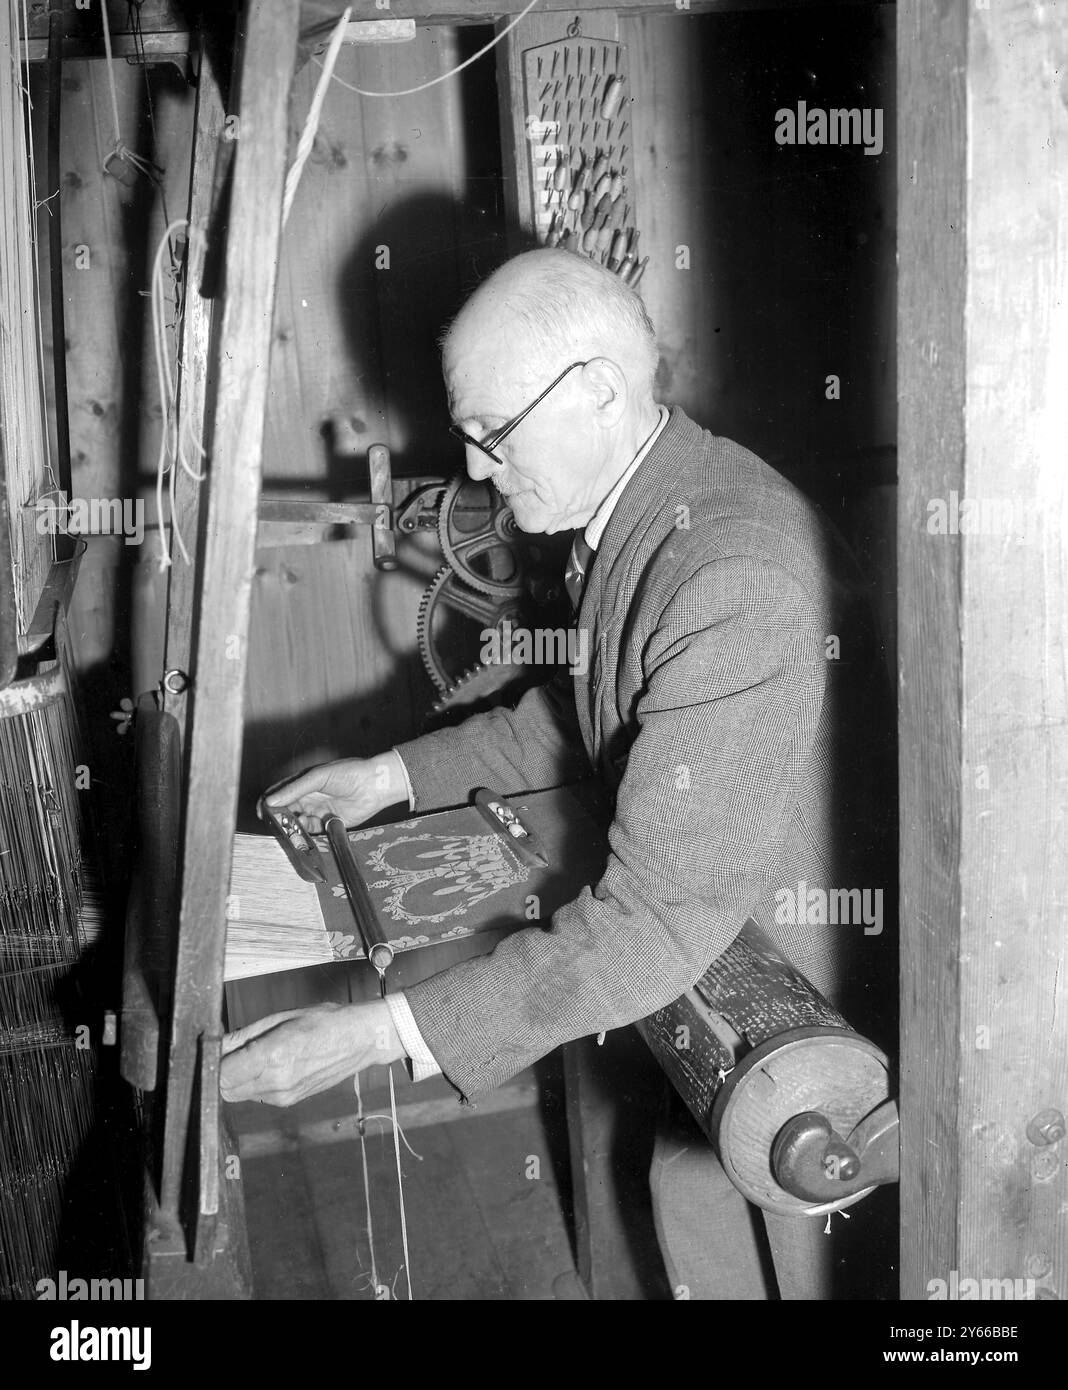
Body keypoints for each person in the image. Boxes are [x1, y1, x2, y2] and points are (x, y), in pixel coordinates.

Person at [221, 247, 892, 1297]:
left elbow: (653, 924)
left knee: (791, 1250)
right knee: (691, 1206)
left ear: (596, 392)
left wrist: (375, 1036)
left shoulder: (732, 568)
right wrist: (389, 776)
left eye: (494, 433)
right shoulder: (646, 509)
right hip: (720, 968)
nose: (480, 469)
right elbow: (591, 714)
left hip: (803, 1016)